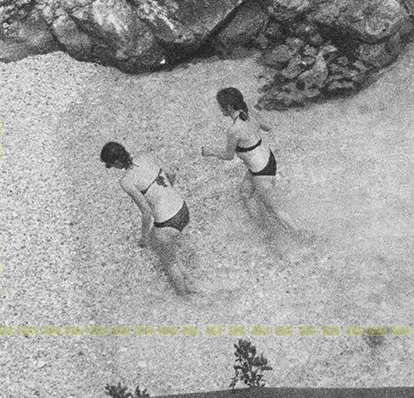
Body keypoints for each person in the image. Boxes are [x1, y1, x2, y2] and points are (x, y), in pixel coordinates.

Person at [200, 86, 299, 232]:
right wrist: (254, 116)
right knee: (245, 193)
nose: (219, 109)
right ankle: (262, 229)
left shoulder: (233, 130)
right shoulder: (250, 115)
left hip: (261, 171)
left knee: (274, 209)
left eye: (220, 106)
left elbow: (228, 156)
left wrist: (210, 151)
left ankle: (304, 236)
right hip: (268, 159)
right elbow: (268, 127)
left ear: (228, 107)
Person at [101, 141, 192, 295]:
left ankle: (186, 301)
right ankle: (191, 282)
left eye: (109, 165)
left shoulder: (126, 181)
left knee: (169, 263)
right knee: (166, 249)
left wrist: (143, 238)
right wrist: (166, 194)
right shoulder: (145, 155)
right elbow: (171, 174)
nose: (110, 168)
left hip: (168, 222)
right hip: (182, 209)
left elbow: (146, 212)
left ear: (116, 162)